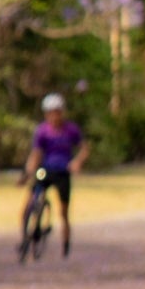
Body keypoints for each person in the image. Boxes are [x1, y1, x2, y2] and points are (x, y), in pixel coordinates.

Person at [26, 89, 87, 252]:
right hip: (45, 170)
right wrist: (30, 169)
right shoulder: (42, 131)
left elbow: (84, 148)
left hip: (63, 172)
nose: (54, 117)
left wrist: (77, 162)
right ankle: (30, 228)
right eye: (51, 113)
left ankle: (65, 242)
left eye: (57, 112)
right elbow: (36, 153)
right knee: (33, 194)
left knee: (63, 211)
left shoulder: (71, 130)